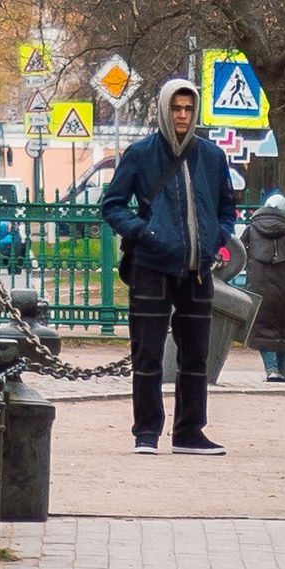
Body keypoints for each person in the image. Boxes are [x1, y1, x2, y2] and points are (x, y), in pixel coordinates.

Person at [100, 76, 236, 452]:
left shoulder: (211, 156)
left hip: (197, 270)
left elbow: (227, 208)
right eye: (176, 108)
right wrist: (145, 233)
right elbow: (112, 205)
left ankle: (189, 432)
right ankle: (146, 431)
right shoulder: (142, 153)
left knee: (196, 358)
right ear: (163, 109)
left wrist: (216, 238)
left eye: (188, 108)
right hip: (151, 266)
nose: (182, 114)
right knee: (148, 354)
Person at [240, 189, 285, 381]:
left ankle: (271, 369)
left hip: (257, 287)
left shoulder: (252, 228)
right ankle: (281, 370)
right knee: (283, 328)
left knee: (263, 328)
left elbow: (238, 252)